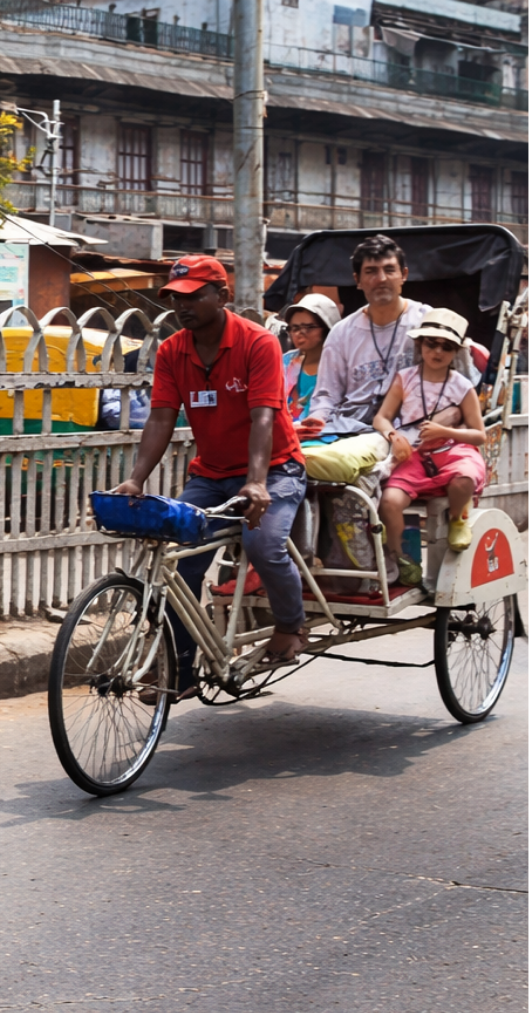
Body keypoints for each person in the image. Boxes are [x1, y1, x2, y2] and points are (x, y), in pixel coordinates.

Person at [112, 255, 309, 694]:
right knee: (181, 564)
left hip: (276, 469)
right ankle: (179, 672)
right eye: (175, 298)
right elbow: (161, 419)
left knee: (263, 541)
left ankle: (292, 626)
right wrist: (136, 479)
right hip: (211, 475)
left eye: (194, 296)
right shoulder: (171, 350)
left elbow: (263, 417)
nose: (182, 306)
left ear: (223, 296)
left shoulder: (257, 343)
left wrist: (256, 482)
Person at [297, 234, 472, 484]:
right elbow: (327, 394)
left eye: (389, 270)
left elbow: (463, 392)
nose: (381, 279)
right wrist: (318, 418)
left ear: (404, 275)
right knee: (289, 457)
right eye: (371, 271)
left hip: (410, 427)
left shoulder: (430, 323)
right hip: (348, 425)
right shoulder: (342, 332)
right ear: (358, 280)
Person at [372, 308, 488, 580]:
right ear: (420, 344)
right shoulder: (406, 378)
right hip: (413, 456)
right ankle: (399, 558)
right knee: (389, 501)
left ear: (455, 352)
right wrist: (393, 436)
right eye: (431, 343)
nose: (437, 351)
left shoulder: (462, 385)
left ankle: (458, 519)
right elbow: (382, 418)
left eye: (446, 347)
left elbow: (479, 434)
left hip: (452, 452)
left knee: (464, 480)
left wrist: (445, 431)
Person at [279, 293, 340, 423]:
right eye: (294, 328)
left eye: (309, 327)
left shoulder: (341, 364)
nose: (299, 333)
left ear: (328, 328)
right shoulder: (285, 362)